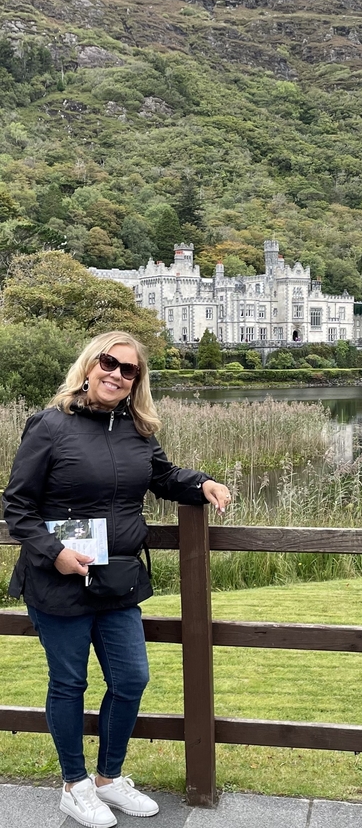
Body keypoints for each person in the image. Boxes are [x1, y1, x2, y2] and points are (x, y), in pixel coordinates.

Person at [2, 331, 232, 827]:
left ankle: (108, 779)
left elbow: (164, 476)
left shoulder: (137, 430)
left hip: (118, 579)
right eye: (110, 363)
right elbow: (16, 507)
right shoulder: (49, 425)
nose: (117, 375)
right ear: (90, 365)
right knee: (69, 682)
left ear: (136, 383)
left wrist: (202, 482)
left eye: (129, 371)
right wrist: (56, 552)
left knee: (131, 679)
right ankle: (74, 785)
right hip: (58, 578)